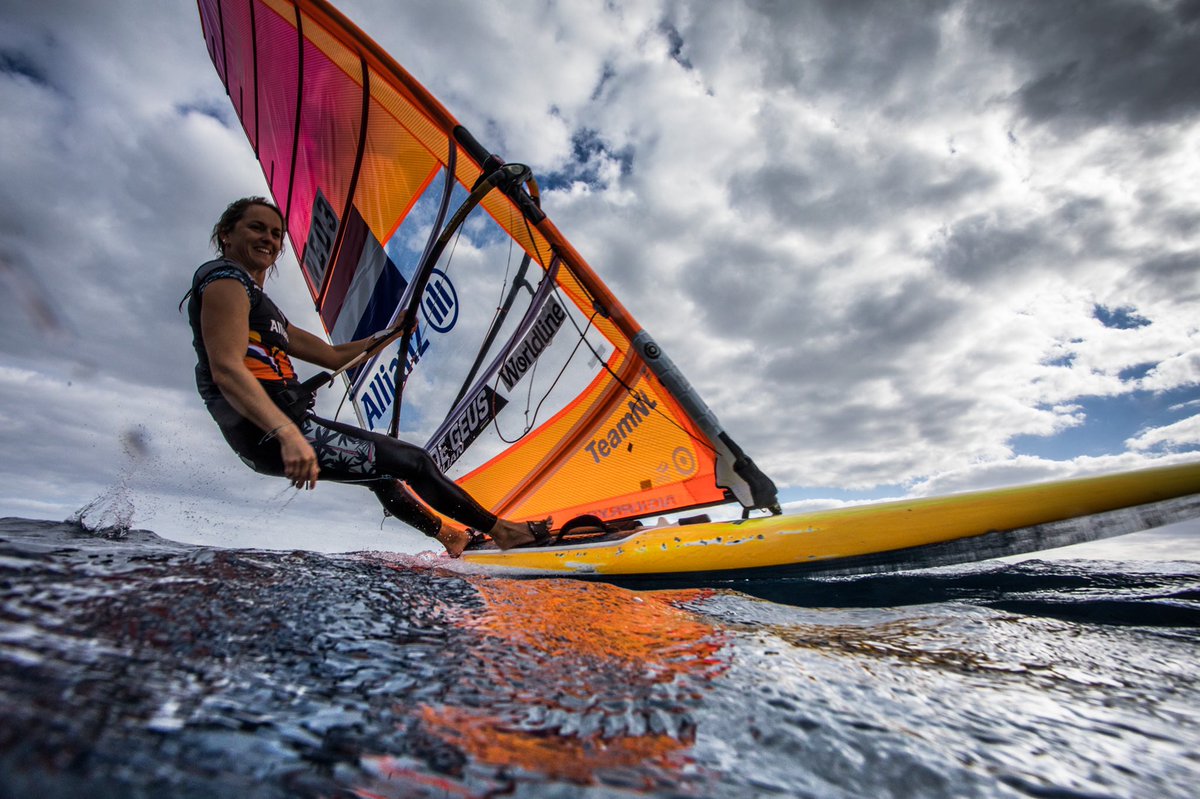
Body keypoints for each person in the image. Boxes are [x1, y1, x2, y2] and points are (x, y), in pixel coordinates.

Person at [185, 196, 549, 556]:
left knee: (382, 473)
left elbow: (331, 355)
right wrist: (286, 434)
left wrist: (389, 334)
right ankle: (505, 532)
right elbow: (227, 370)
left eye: (277, 233)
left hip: (272, 432)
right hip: (268, 430)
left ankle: (451, 537)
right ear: (226, 234)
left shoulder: (263, 306)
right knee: (414, 462)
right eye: (256, 228)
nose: (269, 238)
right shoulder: (225, 280)